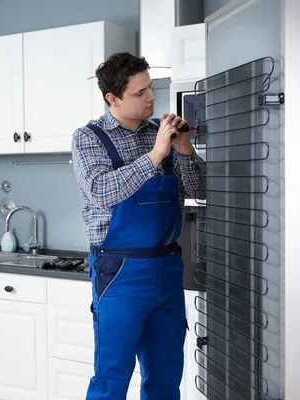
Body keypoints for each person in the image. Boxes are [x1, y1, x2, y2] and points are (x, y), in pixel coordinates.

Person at [71, 52, 205, 400]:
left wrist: (185, 150)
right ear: (112, 98)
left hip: (167, 269)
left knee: (165, 377)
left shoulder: (161, 134)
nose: (151, 98)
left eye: (151, 88)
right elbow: (101, 190)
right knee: (112, 377)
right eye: (140, 92)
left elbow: (200, 190)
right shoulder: (89, 138)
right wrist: (156, 155)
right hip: (119, 273)